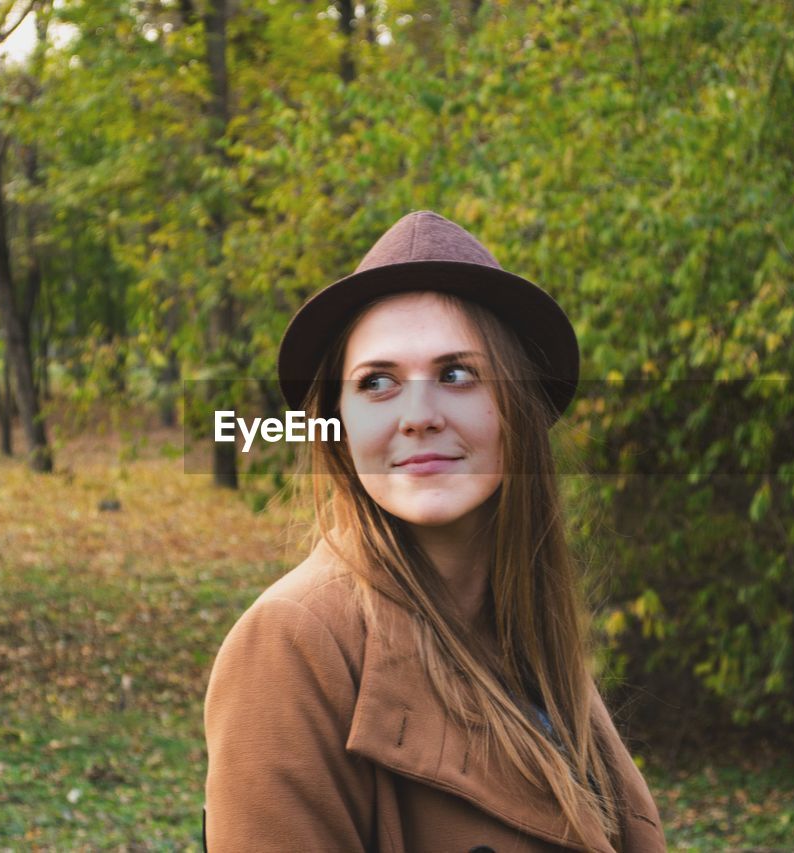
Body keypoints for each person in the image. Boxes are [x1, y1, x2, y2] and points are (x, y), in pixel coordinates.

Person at [204, 211, 665, 852]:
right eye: (378, 383)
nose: (418, 417)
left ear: (518, 409)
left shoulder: (527, 634)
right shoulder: (293, 643)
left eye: (456, 374)